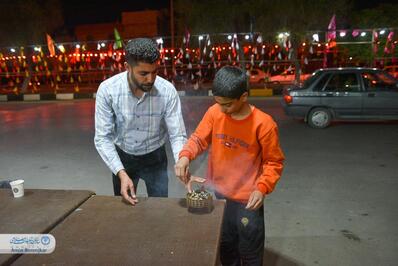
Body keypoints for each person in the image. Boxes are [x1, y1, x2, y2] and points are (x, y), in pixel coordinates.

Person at [175, 66, 284, 265]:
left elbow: (273, 162)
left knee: (250, 251)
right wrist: (185, 156)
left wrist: (262, 188)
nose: (222, 110)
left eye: (227, 105)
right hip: (218, 196)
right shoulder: (215, 112)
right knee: (226, 245)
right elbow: (199, 139)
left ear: (243, 97)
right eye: (218, 103)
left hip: (248, 200)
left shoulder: (264, 124)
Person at [95, 38, 187, 205]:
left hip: (156, 158)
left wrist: (182, 159)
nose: (150, 79)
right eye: (143, 73)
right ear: (127, 67)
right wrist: (121, 173)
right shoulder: (108, 90)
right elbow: (103, 138)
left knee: (159, 208)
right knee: (125, 210)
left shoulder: (167, 91)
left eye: (155, 72)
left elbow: (177, 135)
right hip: (123, 158)